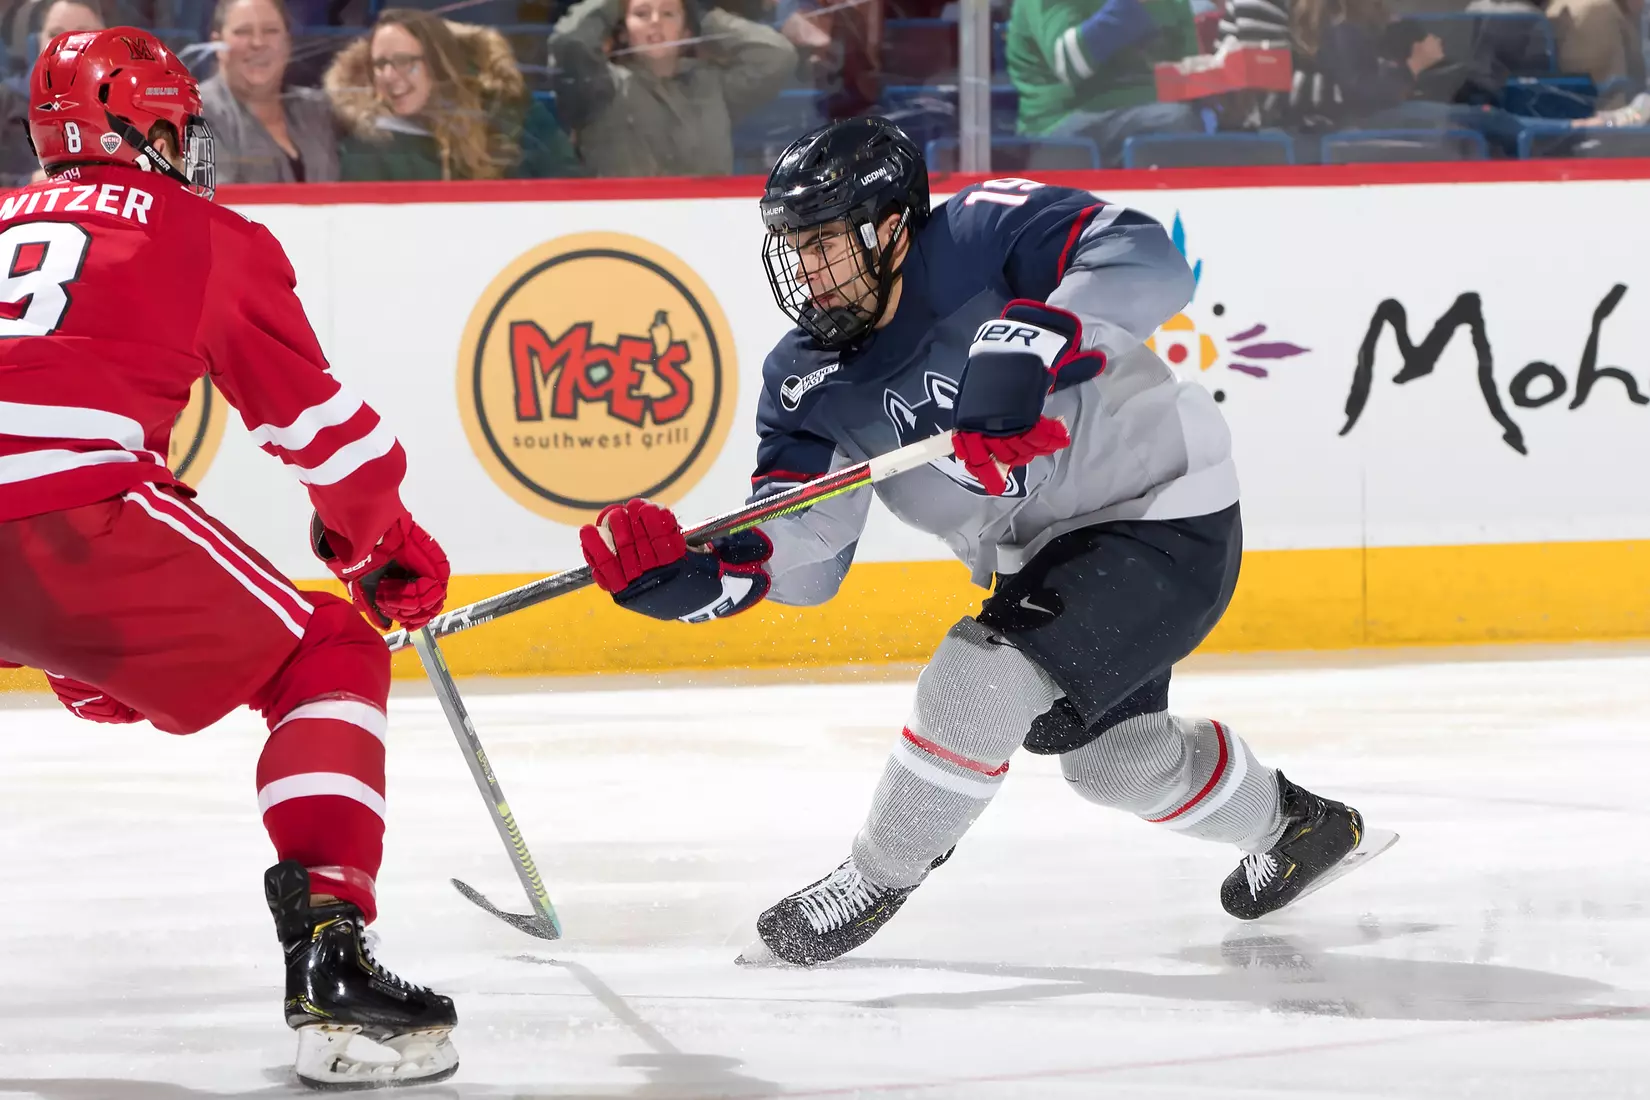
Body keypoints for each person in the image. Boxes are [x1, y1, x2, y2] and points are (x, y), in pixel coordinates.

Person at [576, 118, 1394, 967]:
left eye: (824, 244)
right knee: (1113, 765)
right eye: (792, 247)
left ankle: (874, 877)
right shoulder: (803, 378)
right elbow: (808, 544)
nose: (806, 272)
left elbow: (1149, 259)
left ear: (892, 226)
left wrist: (1033, 338)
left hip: (1161, 511)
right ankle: (1297, 826)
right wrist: (706, 575)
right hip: (1048, 561)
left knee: (980, 674)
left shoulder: (977, 236)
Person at [0, 28, 459, 1087]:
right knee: (329, 648)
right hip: (76, 522)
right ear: (138, 130)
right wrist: (379, 543)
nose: (186, 147)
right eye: (173, 127)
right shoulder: (200, 231)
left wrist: (70, 648)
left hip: (55, 534)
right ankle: (332, 962)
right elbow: (339, 446)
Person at [325, 8, 583, 181]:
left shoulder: (511, 115)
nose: (390, 76)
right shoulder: (368, 150)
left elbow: (571, 188)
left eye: (405, 61)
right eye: (380, 65)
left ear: (439, 64)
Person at [548, 0, 796, 177]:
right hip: (622, 231)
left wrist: (702, 17)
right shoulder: (602, 87)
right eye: (642, 14)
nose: (655, 22)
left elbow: (776, 56)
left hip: (710, 226)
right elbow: (570, 42)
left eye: (668, 13)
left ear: (687, 30)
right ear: (623, 32)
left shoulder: (713, 86)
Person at [1005, 0, 1206, 166]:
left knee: (1194, 124)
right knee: (1175, 122)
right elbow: (1069, 63)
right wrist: (1129, 7)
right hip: (1062, 121)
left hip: (1153, 109)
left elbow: (1186, 70)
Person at [200, 0, 340, 184]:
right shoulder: (197, 113)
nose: (258, 43)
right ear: (217, 44)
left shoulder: (317, 111)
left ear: (287, 44)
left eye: (271, 31)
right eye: (243, 32)